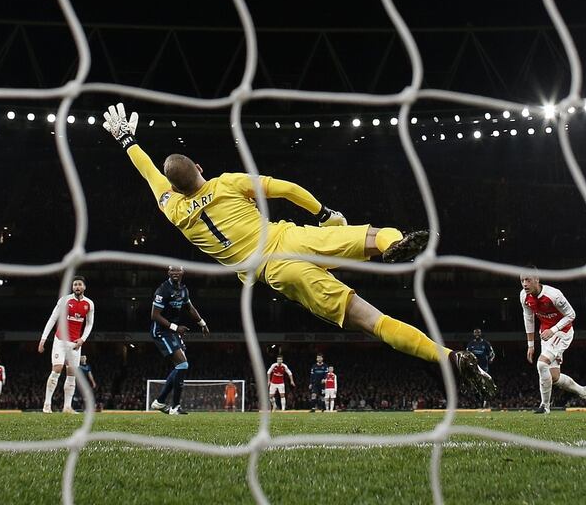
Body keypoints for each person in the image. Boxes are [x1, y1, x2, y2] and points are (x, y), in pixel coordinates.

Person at [101, 103, 496, 399]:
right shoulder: (226, 183)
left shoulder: (173, 210)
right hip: (290, 238)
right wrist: (324, 214)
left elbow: (150, 173)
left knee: (372, 320)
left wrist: (126, 142)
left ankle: (449, 358)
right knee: (374, 235)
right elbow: (287, 189)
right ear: (200, 168)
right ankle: (395, 245)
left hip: (276, 272)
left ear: (175, 188)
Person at [520, 271, 586, 414]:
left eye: (528, 280)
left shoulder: (554, 295)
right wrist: (530, 345)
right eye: (522, 280)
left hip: (562, 332)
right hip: (546, 334)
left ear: (537, 279)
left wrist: (553, 329)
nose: (525, 284)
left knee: (541, 364)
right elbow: (528, 318)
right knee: (554, 377)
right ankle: (585, 392)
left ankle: (545, 406)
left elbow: (571, 314)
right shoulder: (524, 296)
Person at [149, 265, 210, 415]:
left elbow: (190, 308)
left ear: (182, 272)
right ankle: (174, 406)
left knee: (181, 366)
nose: (175, 273)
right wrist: (175, 328)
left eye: (178, 270)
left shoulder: (183, 290)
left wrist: (202, 323)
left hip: (172, 332)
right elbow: (154, 315)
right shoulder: (163, 290)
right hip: (161, 331)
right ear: (168, 272)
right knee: (183, 364)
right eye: (172, 270)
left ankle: (161, 402)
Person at [38, 276, 95, 413]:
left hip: (75, 344)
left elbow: (89, 324)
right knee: (57, 370)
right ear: (72, 287)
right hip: (60, 341)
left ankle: (67, 407)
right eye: (75, 284)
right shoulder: (65, 300)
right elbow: (53, 318)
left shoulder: (89, 304)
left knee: (72, 374)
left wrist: (82, 339)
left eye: (79, 284)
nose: (77, 287)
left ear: (84, 287)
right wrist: (43, 339)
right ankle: (47, 405)